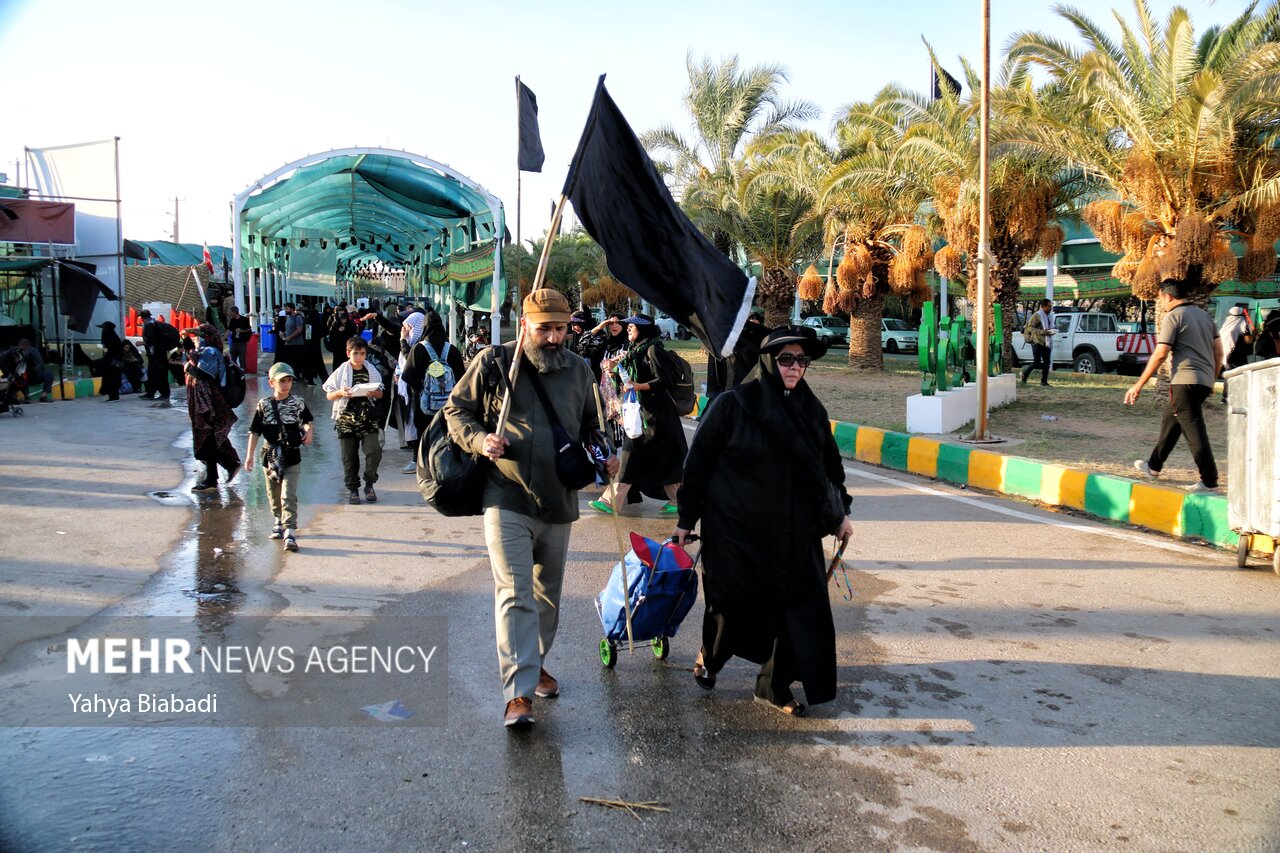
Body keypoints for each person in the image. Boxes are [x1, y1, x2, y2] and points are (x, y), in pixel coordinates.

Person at [444, 288, 618, 729]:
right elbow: (456, 411)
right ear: (524, 325)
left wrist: (606, 455)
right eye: (545, 329)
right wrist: (481, 439)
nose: (555, 337)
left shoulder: (579, 369)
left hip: (560, 499)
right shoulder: (494, 363)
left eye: (561, 328)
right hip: (506, 494)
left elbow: (592, 427)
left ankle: (534, 660)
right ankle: (518, 693)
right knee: (514, 593)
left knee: (547, 596)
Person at [674, 325, 853, 717]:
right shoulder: (733, 405)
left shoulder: (811, 409)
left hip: (796, 532)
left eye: (801, 360)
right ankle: (711, 653)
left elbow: (830, 467)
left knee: (799, 611)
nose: (794, 367)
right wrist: (686, 520)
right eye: (786, 359)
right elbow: (697, 466)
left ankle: (773, 686)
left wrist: (842, 514)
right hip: (737, 531)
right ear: (770, 361)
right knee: (730, 605)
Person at [1126, 280, 1222, 492]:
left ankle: (1209, 479)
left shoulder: (1173, 316)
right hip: (1203, 381)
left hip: (1184, 382)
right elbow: (1218, 353)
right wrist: (1211, 381)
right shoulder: (1205, 316)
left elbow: (1160, 353)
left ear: (1167, 297)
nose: (1162, 303)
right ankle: (1153, 466)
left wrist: (1138, 385)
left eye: (1160, 299)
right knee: (1171, 421)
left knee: (1194, 430)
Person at [590, 313, 687, 516]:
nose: (628, 330)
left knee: (637, 456)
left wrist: (638, 386)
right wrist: (615, 371)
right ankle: (677, 500)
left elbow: (665, 380)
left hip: (657, 416)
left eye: (631, 327)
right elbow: (630, 374)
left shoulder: (653, 350)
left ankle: (611, 501)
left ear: (642, 329)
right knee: (642, 456)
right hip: (642, 413)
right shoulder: (635, 350)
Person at [245, 362, 315, 551]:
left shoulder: (297, 403)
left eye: (289, 380)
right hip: (270, 456)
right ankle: (278, 520)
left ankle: (290, 531)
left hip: (292, 455)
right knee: (273, 495)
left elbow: (307, 421)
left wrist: (309, 432)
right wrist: (249, 456)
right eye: (282, 381)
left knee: (288, 494)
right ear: (271, 383)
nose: (286, 384)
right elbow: (254, 432)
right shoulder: (264, 405)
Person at [400, 310, 465, 474]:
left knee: (423, 432)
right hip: (448, 403)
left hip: (424, 403)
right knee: (447, 431)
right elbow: (462, 377)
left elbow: (409, 376)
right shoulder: (451, 349)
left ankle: (422, 464)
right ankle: (448, 462)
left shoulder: (419, 349)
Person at [323, 336, 385, 504]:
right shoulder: (341, 372)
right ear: (348, 353)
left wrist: (374, 393)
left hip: (368, 418)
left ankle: (369, 483)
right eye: (355, 353)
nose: (359, 357)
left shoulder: (371, 370)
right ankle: (353, 489)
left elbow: (381, 392)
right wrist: (341, 393)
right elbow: (329, 394)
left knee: (374, 451)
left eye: (362, 354)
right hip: (346, 419)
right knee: (349, 457)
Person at [184, 323, 242, 491]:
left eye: (199, 336)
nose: (197, 339)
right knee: (211, 436)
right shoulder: (204, 351)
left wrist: (189, 368)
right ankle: (229, 465)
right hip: (202, 399)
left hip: (208, 401)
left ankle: (212, 478)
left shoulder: (210, 352)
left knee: (208, 436)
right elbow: (192, 354)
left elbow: (204, 374)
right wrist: (187, 341)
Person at [140, 309, 179, 401]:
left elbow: (152, 340)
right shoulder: (154, 323)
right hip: (158, 353)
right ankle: (151, 392)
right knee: (154, 373)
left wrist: (142, 343)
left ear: (142, 318)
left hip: (156, 354)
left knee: (158, 373)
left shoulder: (149, 325)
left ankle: (164, 394)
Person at [1217, 305, 1253, 402]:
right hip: (1238, 356)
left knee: (1229, 376)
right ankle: (1234, 397)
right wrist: (1254, 334)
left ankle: (1225, 397)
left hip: (1227, 356)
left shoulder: (1226, 326)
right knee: (1239, 375)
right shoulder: (1242, 324)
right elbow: (1248, 340)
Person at [1020, 299, 1055, 386]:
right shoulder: (1037, 315)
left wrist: (1053, 330)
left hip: (1046, 342)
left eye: (1051, 306)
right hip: (1037, 341)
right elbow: (1030, 328)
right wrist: (1043, 332)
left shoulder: (1049, 316)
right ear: (1043, 307)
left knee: (1047, 363)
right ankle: (1025, 374)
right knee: (1037, 362)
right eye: (1049, 306)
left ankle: (1044, 382)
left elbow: (1050, 326)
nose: (1051, 308)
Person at [325, 306, 360, 375]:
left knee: (347, 361)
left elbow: (354, 333)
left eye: (344, 319)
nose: (343, 321)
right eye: (342, 319)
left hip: (347, 346)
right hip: (337, 347)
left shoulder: (351, 324)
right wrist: (338, 331)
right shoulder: (335, 323)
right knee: (337, 363)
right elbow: (331, 333)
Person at [280, 303, 309, 385]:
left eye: (287, 308)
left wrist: (290, 337)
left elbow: (299, 330)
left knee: (296, 361)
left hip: (296, 344)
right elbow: (289, 329)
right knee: (289, 361)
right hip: (288, 343)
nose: (285, 310)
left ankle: (296, 376)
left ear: (292, 309)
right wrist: (284, 334)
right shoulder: (289, 318)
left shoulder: (297, 317)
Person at [98, 320, 124, 402]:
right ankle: (112, 395)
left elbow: (114, 352)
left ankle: (114, 396)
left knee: (112, 378)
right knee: (109, 378)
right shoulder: (110, 339)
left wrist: (109, 358)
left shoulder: (113, 339)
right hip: (110, 361)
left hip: (113, 363)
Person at [226, 306, 253, 370]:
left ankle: (242, 371)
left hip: (242, 342)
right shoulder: (232, 320)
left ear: (235, 312)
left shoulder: (244, 319)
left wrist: (242, 331)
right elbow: (229, 330)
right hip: (234, 342)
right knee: (233, 358)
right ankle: (235, 370)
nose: (230, 314)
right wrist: (223, 338)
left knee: (242, 359)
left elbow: (249, 329)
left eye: (231, 312)